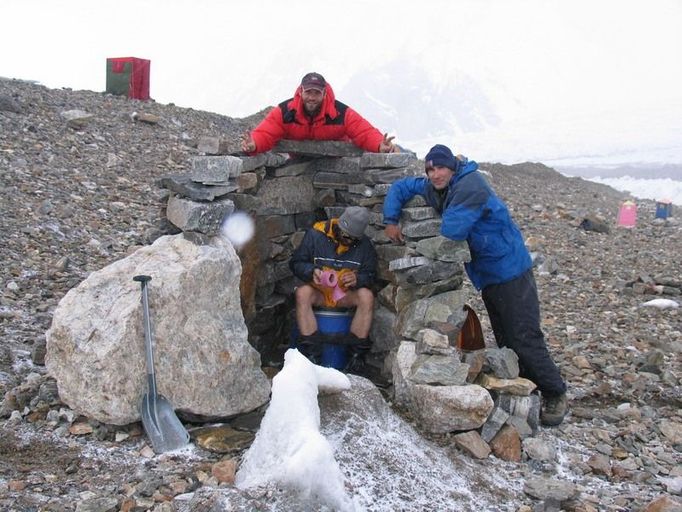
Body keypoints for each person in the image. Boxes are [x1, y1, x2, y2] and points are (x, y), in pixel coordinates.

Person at [382, 144, 568, 426]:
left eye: (440, 167)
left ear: (452, 167)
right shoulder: (441, 185)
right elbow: (402, 187)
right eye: (430, 169)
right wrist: (390, 219)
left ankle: (555, 392)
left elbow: (453, 230)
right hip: (488, 274)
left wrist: (438, 210)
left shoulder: (471, 185)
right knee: (506, 337)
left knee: (524, 335)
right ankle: (527, 388)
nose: (434, 174)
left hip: (510, 269)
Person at [289, 206, 377, 367]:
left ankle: (355, 358)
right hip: (319, 293)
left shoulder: (364, 245)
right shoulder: (315, 235)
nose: (347, 240)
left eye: (352, 239)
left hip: (344, 295)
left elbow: (371, 276)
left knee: (366, 296)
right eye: (344, 235)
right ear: (338, 225)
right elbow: (295, 263)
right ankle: (312, 356)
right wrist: (311, 271)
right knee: (302, 293)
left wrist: (357, 279)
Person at [241, 72, 397, 154]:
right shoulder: (285, 111)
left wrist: (379, 145)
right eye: (308, 92)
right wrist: (253, 144)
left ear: (324, 93)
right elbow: (266, 133)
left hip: (335, 168)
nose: (312, 98)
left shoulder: (340, 113)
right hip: (297, 164)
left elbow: (364, 132)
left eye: (317, 93)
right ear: (301, 92)